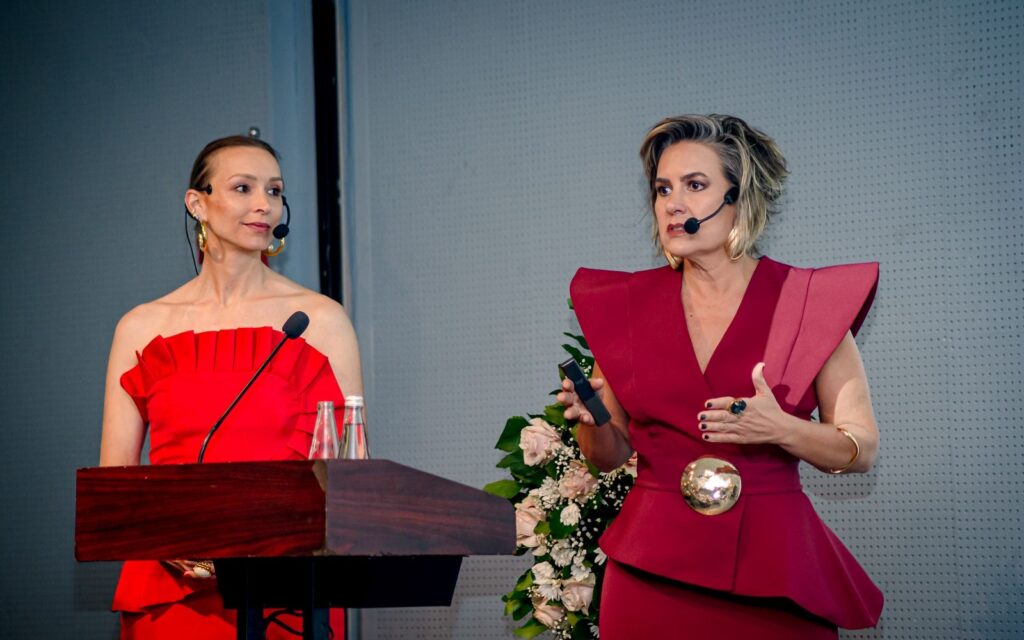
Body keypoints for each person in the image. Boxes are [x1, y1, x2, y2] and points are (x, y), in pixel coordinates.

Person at [558, 114, 883, 638]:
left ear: (739, 198)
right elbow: (609, 455)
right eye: (663, 188)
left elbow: (861, 449)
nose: (672, 203)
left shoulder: (809, 303)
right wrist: (590, 419)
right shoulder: (626, 307)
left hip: (774, 567)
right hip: (650, 571)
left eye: (695, 185)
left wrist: (781, 429)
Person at [99, 135, 363, 639]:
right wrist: (171, 543)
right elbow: (115, 484)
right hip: (172, 589)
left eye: (274, 191)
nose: (264, 204)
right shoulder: (140, 326)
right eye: (243, 188)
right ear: (197, 203)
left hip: (288, 591)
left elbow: (351, 476)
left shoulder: (319, 321)